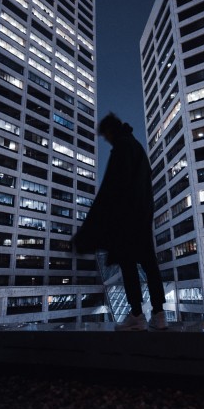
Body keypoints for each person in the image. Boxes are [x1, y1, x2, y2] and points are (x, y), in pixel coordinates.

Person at [74, 113, 167, 331]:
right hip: (143, 216)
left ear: (110, 131)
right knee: (149, 264)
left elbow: (110, 190)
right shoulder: (137, 147)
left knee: (128, 265)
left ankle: (136, 314)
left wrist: (89, 230)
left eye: (105, 136)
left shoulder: (122, 149)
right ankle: (159, 313)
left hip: (127, 219)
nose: (106, 140)